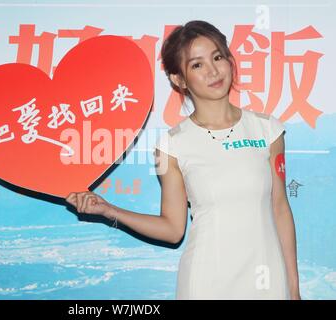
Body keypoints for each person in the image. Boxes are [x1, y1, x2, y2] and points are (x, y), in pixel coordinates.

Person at [65, 20, 300, 300]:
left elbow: (280, 209)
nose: (213, 71)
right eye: (197, 65)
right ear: (179, 79)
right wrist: (109, 210)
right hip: (207, 281)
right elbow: (173, 229)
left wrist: (293, 289)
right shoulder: (172, 145)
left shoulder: (268, 130)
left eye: (217, 57)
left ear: (229, 60)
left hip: (268, 281)